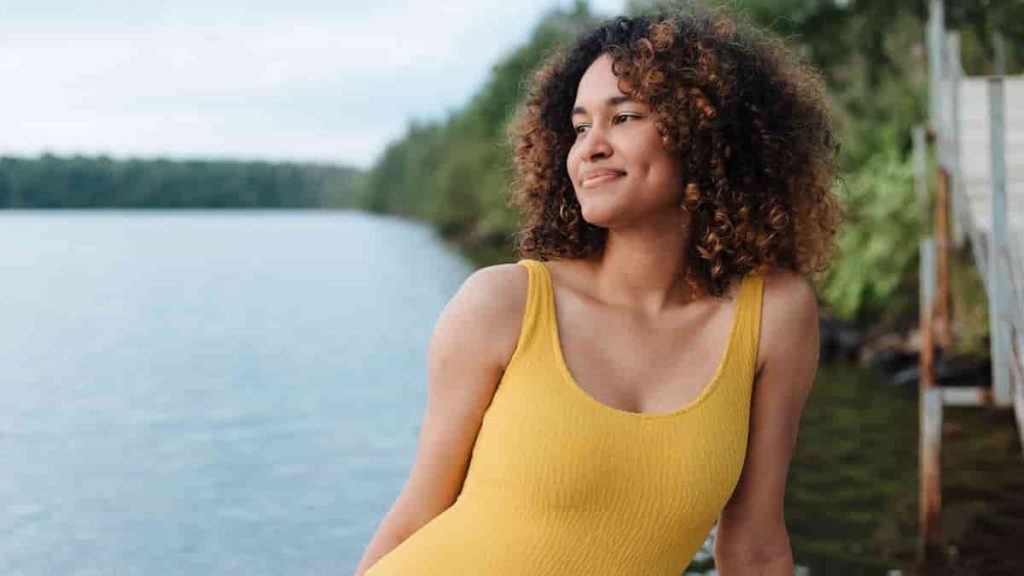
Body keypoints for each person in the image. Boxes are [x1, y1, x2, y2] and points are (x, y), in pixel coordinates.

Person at [355, 7, 841, 576]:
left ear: (706, 134)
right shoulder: (502, 304)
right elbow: (418, 513)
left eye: (625, 116)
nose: (591, 146)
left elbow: (755, 545)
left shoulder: (773, 315)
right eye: (581, 126)